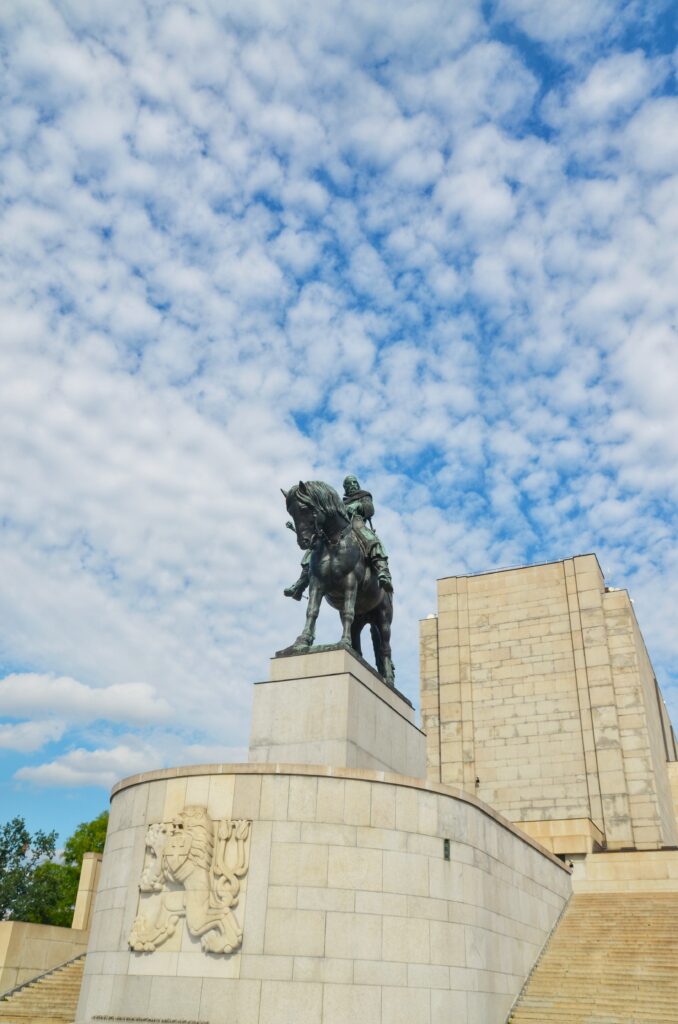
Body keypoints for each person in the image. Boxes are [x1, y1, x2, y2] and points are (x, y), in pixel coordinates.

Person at [284, 475, 393, 600]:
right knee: (315, 546)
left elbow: (370, 509)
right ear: (345, 488)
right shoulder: (341, 502)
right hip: (340, 529)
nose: (351, 486)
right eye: (348, 485)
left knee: (371, 539)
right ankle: (301, 583)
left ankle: (383, 571)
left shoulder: (364, 496)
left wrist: (358, 506)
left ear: (357, 485)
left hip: (357, 523)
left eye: (353, 483)